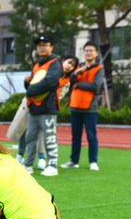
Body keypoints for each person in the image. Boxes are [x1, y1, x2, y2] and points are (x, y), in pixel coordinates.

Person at [15, 55, 78, 168]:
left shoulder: (66, 82)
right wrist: (27, 83)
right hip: (32, 104)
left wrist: (46, 96)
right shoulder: (45, 70)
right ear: (63, 61)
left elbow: (59, 96)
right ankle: (20, 156)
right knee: (26, 132)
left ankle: (44, 159)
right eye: (69, 62)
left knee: (45, 135)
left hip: (48, 108)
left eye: (73, 65)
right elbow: (31, 87)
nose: (69, 66)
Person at [23, 35, 62, 177]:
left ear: (51, 47)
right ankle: (28, 164)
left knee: (49, 136)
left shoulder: (55, 63)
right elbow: (33, 84)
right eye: (39, 45)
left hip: (48, 107)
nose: (42, 47)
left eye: (45, 44)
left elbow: (50, 82)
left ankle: (52, 164)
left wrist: (30, 90)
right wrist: (27, 83)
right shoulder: (37, 65)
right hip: (34, 107)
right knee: (30, 137)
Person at [62, 41, 104, 172]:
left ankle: (93, 161)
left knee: (91, 136)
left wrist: (79, 85)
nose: (88, 53)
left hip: (90, 108)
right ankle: (74, 161)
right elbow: (69, 81)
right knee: (75, 136)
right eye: (86, 50)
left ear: (96, 53)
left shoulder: (99, 69)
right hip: (75, 106)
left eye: (91, 50)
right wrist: (75, 74)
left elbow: (95, 87)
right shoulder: (78, 67)